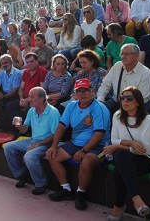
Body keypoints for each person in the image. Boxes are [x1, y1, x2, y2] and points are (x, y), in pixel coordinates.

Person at [46, 78, 111, 210]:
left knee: (86, 161)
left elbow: (99, 135)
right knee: (52, 155)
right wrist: (53, 146)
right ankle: (66, 189)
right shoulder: (72, 105)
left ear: (92, 91)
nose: (82, 94)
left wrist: (84, 150)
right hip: (75, 143)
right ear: (75, 93)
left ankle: (80, 193)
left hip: (100, 146)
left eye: (85, 90)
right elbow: (61, 126)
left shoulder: (99, 108)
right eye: (79, 91)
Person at [103, 86, 150, 220]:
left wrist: (117, 146)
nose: (125, 101)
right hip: (126, 157)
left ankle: (118, 207)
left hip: (146, 159)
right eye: (122, 98)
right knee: (122, 156)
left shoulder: (148, 120)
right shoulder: (117, 116)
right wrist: (130, 143)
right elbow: (114, 139)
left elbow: (147, 149)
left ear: (137, 101)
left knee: (120, 168)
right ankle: (136, 199)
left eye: (129, 98)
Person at [4, 87, 61, 195]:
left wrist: (39, 144)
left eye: (32, 97)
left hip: (47, 143)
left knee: (29, 156)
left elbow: (56, 135)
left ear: (41, 99)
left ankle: (41, 183)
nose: (29, 99)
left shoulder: (53, 113)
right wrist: (19, 126)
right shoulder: (31, 110)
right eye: (29, 96)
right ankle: (21, 174)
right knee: (8, 147)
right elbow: (25, 129)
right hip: (33, 140)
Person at [97, 43, 150, 115]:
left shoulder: (145, 72)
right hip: (117, 102)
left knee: (133, 115)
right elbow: (105, 84)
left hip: (139, 104)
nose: (123, 57)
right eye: (122, 54)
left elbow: (143, 98)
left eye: (127, 54)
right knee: (100, 111)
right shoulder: (117, 66)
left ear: (137, 55)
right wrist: (100, 101)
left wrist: (126, 107)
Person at [3, 53, 48, 129]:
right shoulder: (26, 72)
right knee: (9, 106)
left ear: (37, 61)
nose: (29, 64)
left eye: (32, 61)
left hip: (36, 99)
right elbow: (21, 88)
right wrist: (21, 99)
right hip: (25, 98)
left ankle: (28, 130)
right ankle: (20, 127)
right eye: (27, 62)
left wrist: (28, 100)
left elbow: (42, 90)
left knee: (29, 108)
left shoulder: (42, 71)